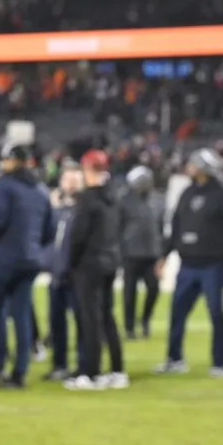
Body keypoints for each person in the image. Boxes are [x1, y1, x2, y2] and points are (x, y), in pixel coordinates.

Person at [156, 148, 223, 377]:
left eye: (194, 164)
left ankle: (219, 362)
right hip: (188, 264)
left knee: (217, 314)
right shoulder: (187, 193)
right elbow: (176, 227)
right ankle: (174, 359)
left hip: (214, 265)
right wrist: (165, 256)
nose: (189, 167)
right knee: (177, 313)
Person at [0, 144, 55, 389]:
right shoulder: (41, 189)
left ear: (13, 161)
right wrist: (33, 247)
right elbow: (49, 230)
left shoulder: (6, 185)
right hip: (31, 260)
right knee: (21, 316)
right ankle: (19, 373)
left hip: (6, 258)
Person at [63, 150, 126, 391]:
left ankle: (91, 373)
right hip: (110, 261)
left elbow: (78, 236)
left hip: (89, 264)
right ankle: (118, 369)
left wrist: (71, 263)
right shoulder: (113, 196)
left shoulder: (88, 199)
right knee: (108, 316)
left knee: (90, 319)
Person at [44, 163, 82, 382]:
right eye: (68, 180)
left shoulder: (82, 209)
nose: (70, 184)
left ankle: (81, 365)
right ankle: (59, 364)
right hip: (57, 273)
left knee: (80, 321)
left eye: (74, 180)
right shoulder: (57, 210)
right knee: (56, 322)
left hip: (75, 274)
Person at [119, 165, 164, 340]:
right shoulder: (123, 200)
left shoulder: (158, 201)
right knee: (129, 292)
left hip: (151, 253)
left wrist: (161, 254)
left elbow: (160, 228)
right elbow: (118, 226)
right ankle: (129, 326)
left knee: (153, 288)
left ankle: (145, 320)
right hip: (130, 253)